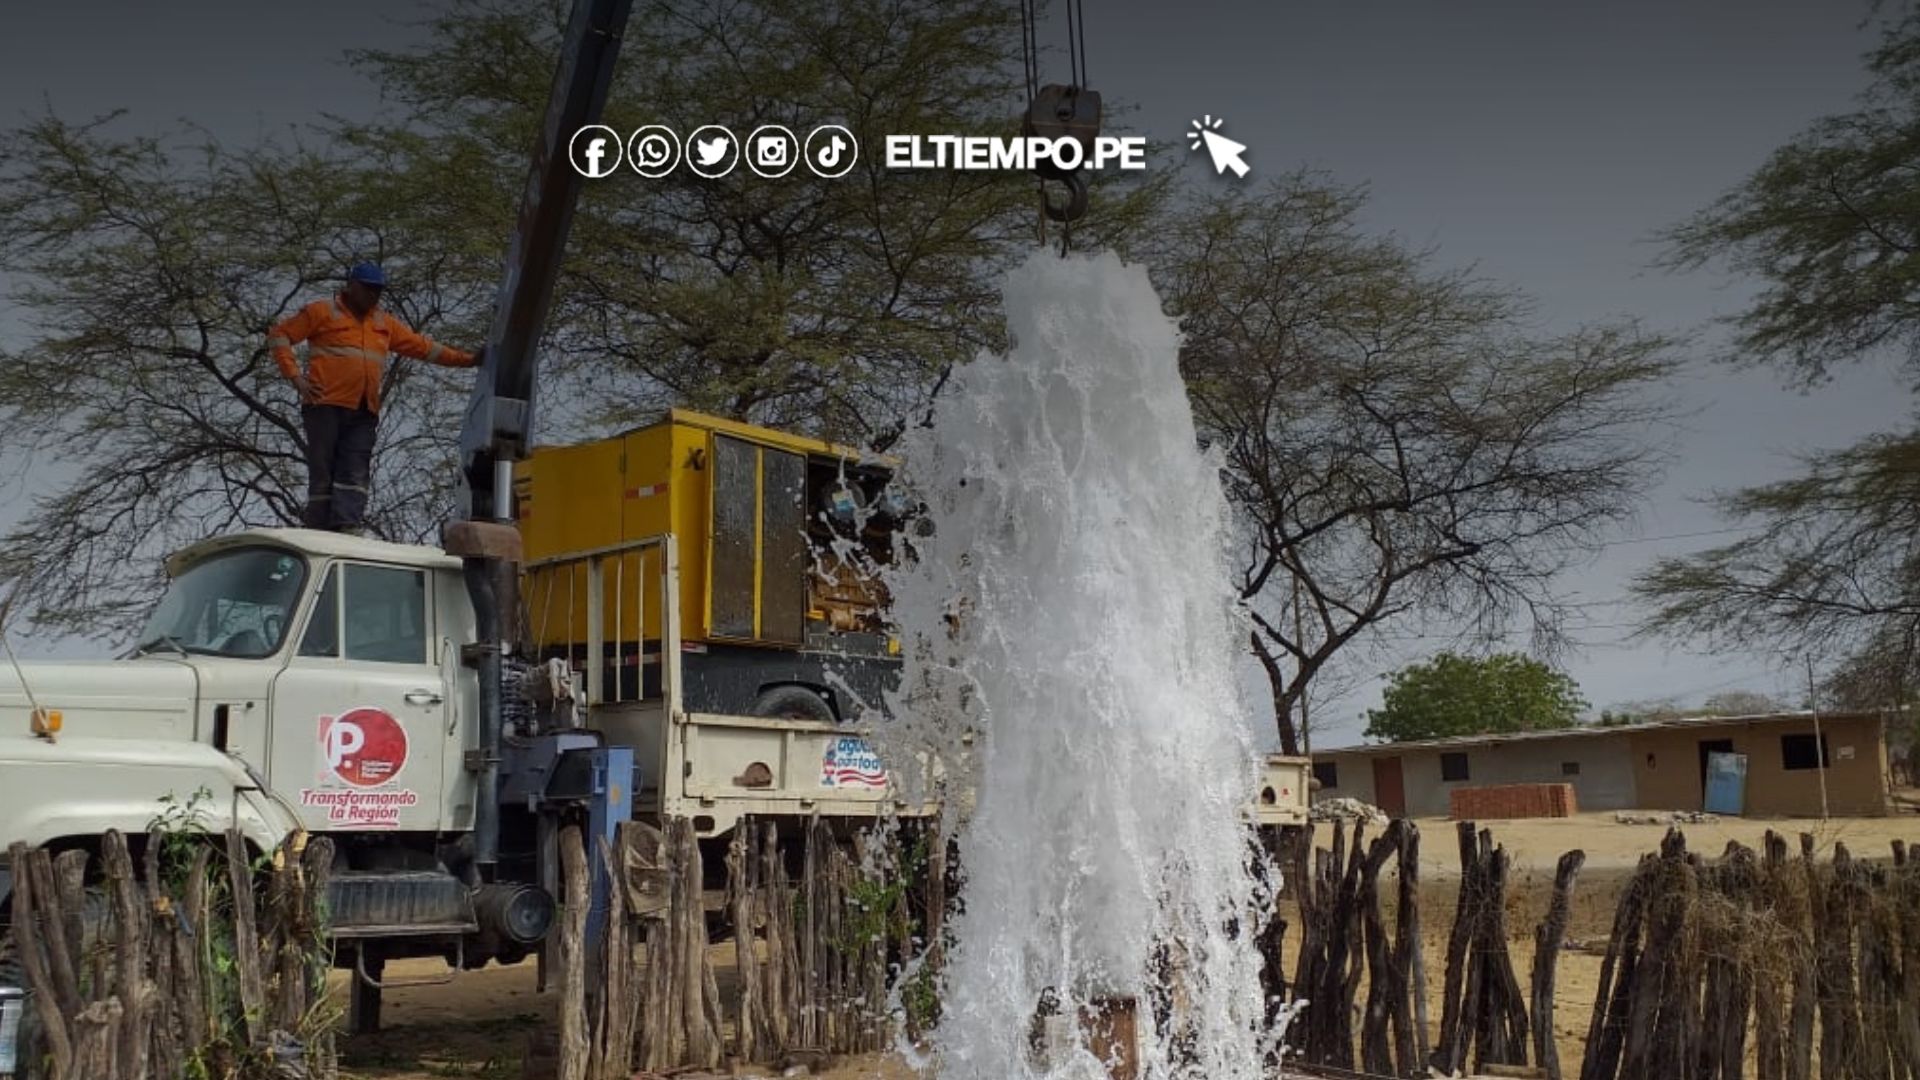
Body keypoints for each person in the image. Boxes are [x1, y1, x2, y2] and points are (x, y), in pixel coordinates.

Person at [268, 263, 480, 532]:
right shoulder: (322, 311)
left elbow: (423, 347)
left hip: (363, 409)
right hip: (325, 405)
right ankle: (318, 528)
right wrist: (296, 377)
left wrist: (468, 360)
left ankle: (347, 524)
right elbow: (280, 335)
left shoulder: (383, 323)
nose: (373, 295)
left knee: (355, 469)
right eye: (368, 288)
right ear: (351, 286)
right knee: (324, 470)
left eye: (378, 290)